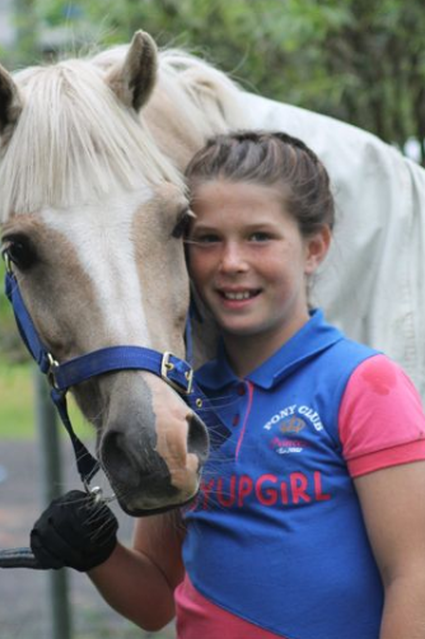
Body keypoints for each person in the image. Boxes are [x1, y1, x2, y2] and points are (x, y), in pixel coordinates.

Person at [30, 130, 425, 639]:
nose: (231, 261)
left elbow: (413, 575)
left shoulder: (363, 385)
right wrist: (96, 552)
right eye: (208, 239)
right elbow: (155, 601)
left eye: (259, 236)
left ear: (314, 247)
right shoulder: (181, 403)